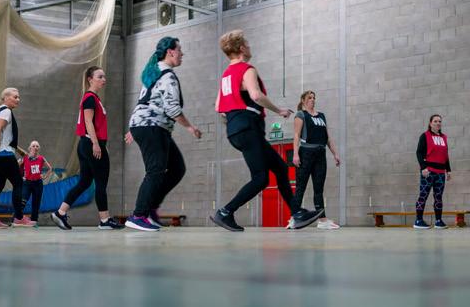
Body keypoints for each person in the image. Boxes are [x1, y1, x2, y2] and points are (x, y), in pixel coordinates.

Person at [209, 29, 319, 232]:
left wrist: (235, 123)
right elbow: (256, 95)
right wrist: (279, 110)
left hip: (236, 130)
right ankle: (225, 212)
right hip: (248, 127)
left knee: (280, 168)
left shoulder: (226, 76)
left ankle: (297, 213)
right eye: (247, 44)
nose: (250, 47)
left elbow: (218, 107)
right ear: (241, 48)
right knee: (261, 178)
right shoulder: (246, 69)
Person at [125, 36, 202, 232]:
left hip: (148, 125)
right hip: (152, 126)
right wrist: (190, 127)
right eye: (179, 50)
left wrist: (135, 128)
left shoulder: (155, 71)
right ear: (170, 52)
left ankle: (151, 208)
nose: (182, 54)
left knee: (177, 168)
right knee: (155, 171)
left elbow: (147, 100)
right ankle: (138, 215)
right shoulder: (168, 76)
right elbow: (172, 109)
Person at [52, 67, 119, 230]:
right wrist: (96, 144)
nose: (104, 79)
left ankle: (60, 212)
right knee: (101, 182)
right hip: (91, 143)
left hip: (85, 145)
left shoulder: (92, 98)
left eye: (104, 76)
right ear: (90, 79)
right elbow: (88, 122)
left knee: (84, 182)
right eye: (100, 77)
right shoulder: (89, 98)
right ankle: (104, 220)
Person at [289, 90, 341, 230]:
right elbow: (296, 135)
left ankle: (322, 220)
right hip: (306, 153)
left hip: (320, 154)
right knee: (300, 187)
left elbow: (327, 137)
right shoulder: (301, 115)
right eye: (310, 97)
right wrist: (295, 154)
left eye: (314, 97)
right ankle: (294, 218)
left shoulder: (321, 116)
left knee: (319, 188)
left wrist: (335, 154)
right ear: (303, 100)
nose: (312, 100)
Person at [0, 87, 29, 229]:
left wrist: (18, 150)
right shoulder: (6, 111)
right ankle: (19, 218)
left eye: (18, 97)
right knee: (18, 183)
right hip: (3, 154)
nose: (18, 99)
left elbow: (4, 136)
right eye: (15, 97)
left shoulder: (1, 110)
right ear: (6, 98)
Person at [414, 113, 451, 230]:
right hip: (428, 171)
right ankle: (418, 220)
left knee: (438, 197)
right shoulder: (425, 136)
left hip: (440, 172)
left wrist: (448, 170)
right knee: (423, 195)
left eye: (440, 121)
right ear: (430, 123)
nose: (438, 123)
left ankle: (438, 221)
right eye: (435, 121)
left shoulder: (444, 137)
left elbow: (445, 155)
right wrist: (423, 168)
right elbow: (419, 152)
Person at [19, 141, 52, 225]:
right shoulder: (25, 157)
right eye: (33, 146)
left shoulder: (41, 158)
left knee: (36, 203)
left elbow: (50, 168)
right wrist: (21, 176)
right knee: (22, 200)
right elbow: (16, 166)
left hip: (38, 183)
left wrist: (45, 176)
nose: (35, 147)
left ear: (39, 148)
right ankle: (16, 219)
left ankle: (34, 220)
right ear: (30, 148)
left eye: (37, 146)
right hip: (27, 183)